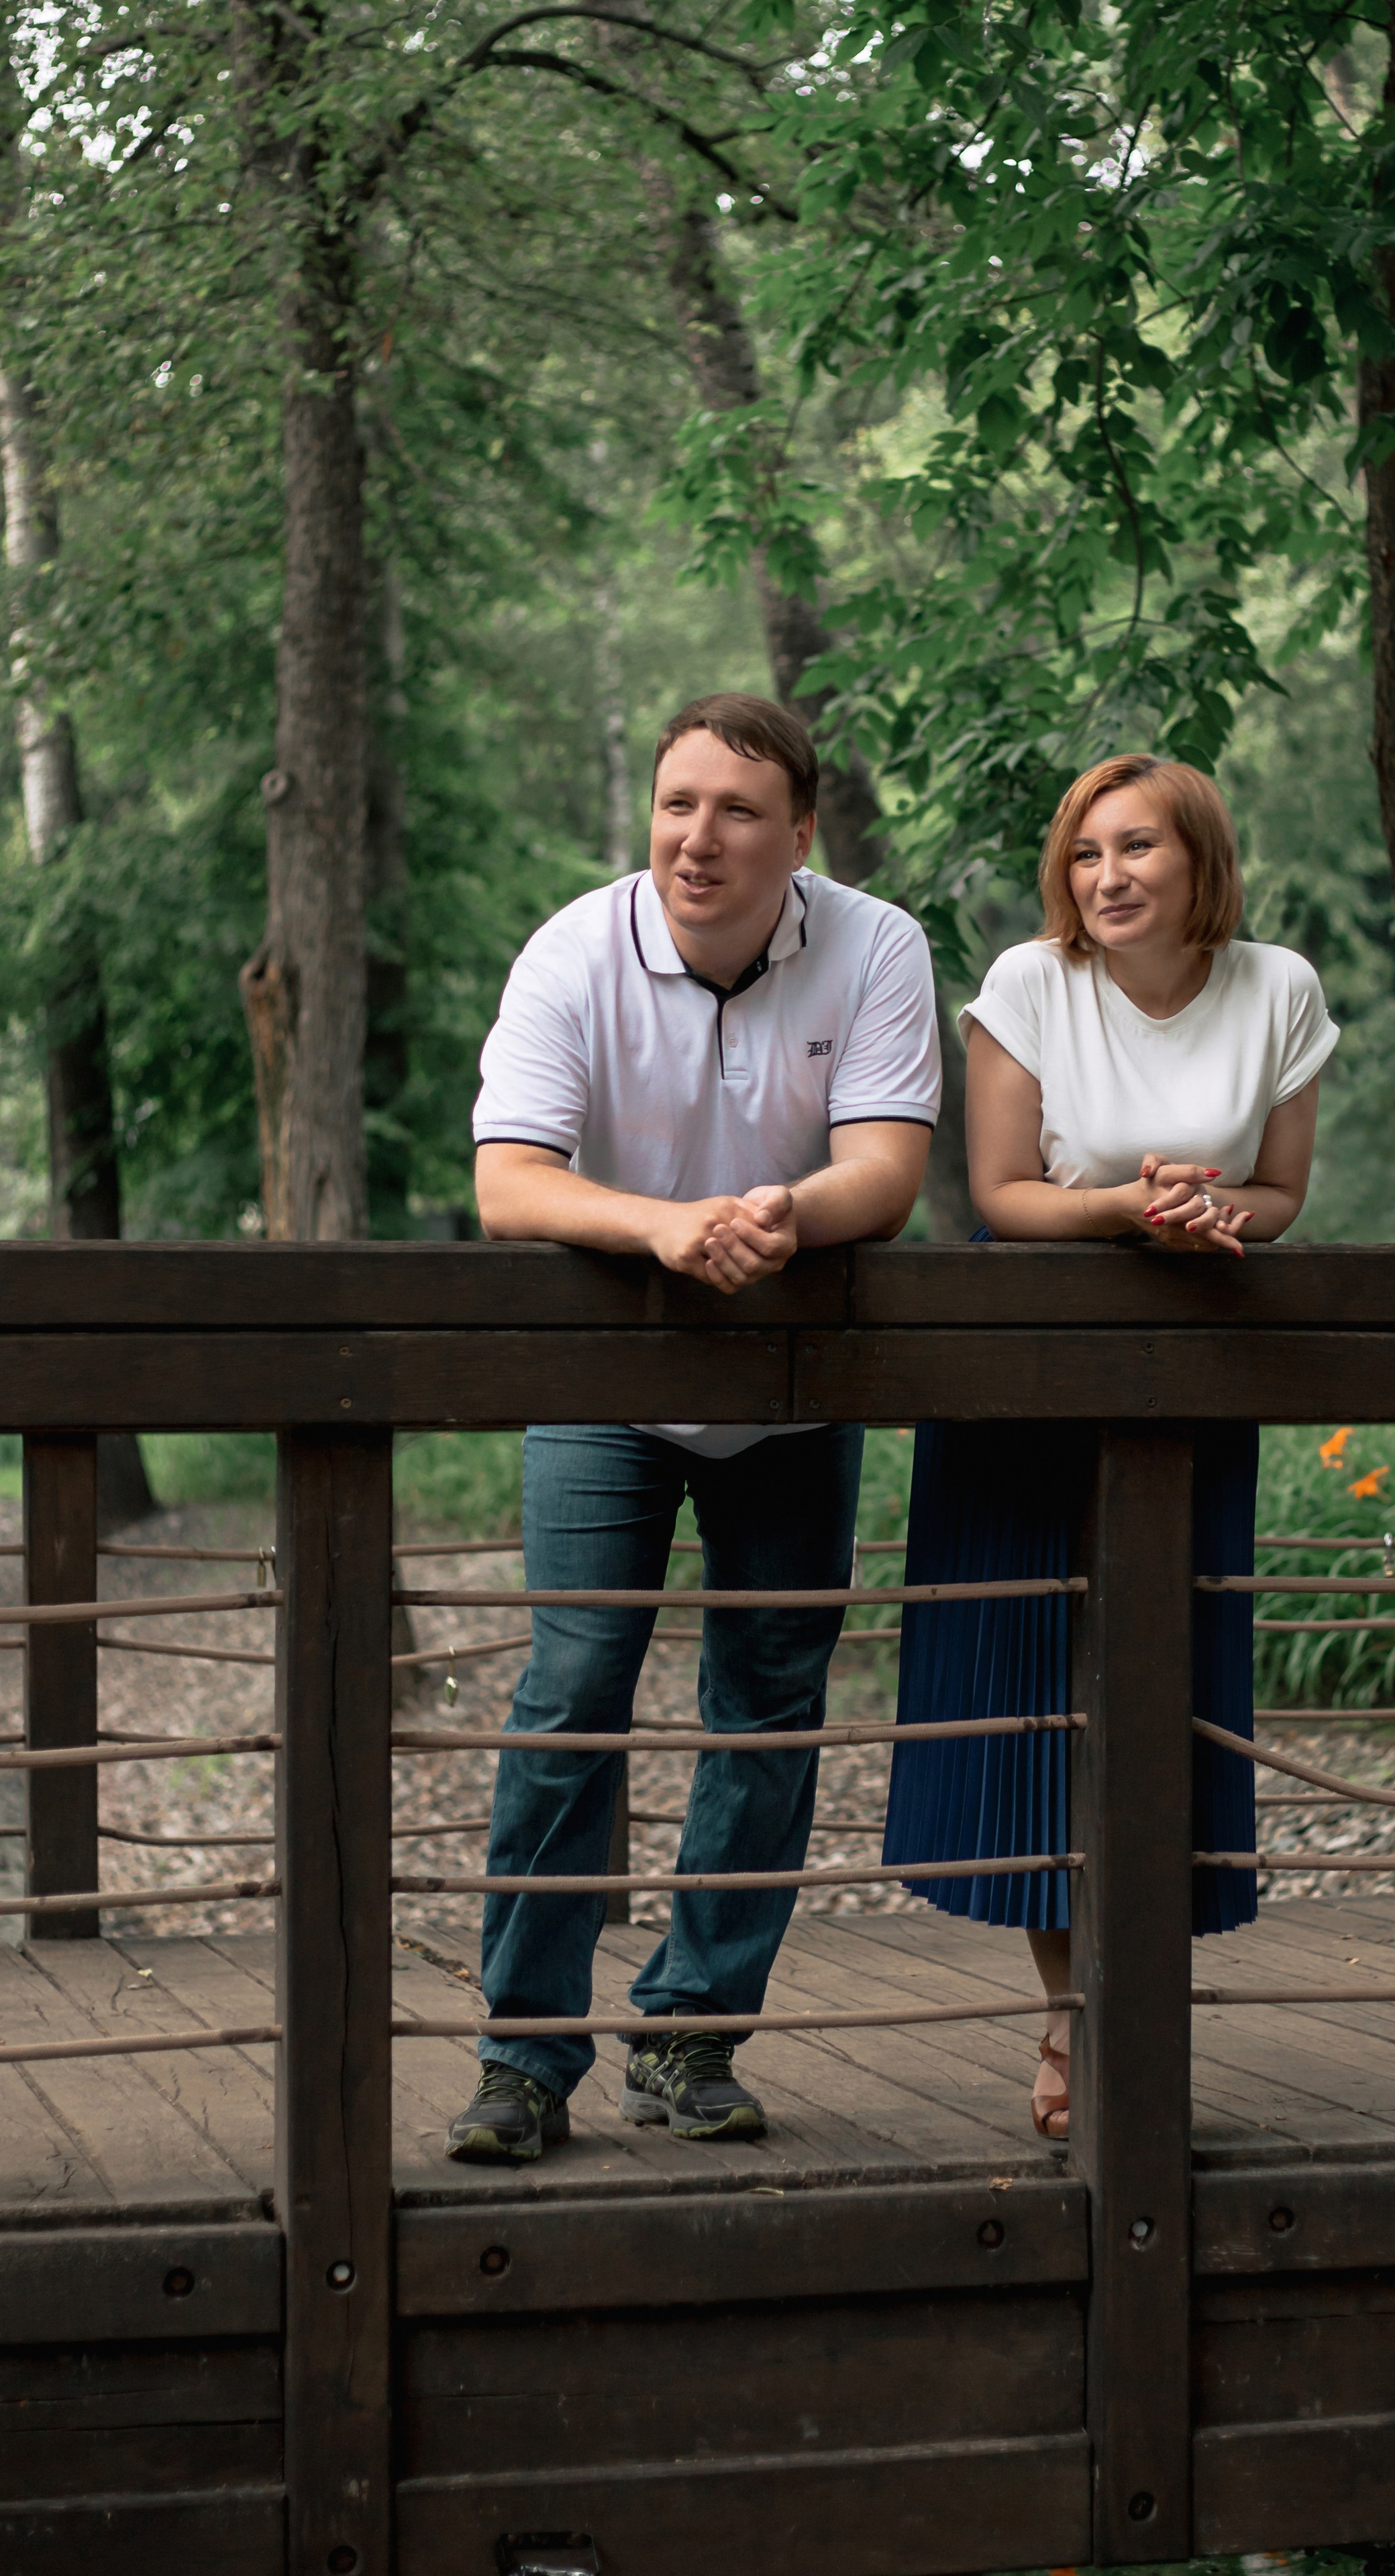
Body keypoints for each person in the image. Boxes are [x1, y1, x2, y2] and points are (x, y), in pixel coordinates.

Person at [447, 692, 940, 2163]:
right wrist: (663, 1229)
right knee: (570, 1691)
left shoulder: (879, 946)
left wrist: (786, 1212)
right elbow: (508, 1184)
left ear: (802, 832)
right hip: (607, 1384)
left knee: (770, 1705)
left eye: (736, 811)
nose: (697, 838)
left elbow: (887, 1170)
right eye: (677, 805)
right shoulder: (571, 951)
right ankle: (523, 2061)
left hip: (790, 1386)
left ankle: (689, 2036)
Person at [880, 753, 1337, 2141]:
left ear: (1201, 859)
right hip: (1031, 1361)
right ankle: (1071, 2013)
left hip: (1193, 1365)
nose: (1107, 876)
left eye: (1136, 847)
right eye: (1085, 854)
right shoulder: (1028, 983)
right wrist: (1126, 1213)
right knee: (1031, 1691)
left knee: (1171, 1678)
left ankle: (1139, 2006)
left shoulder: (1279, 988)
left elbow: (1280, 1192)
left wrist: (1218, 1219)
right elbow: (1003, 1193)